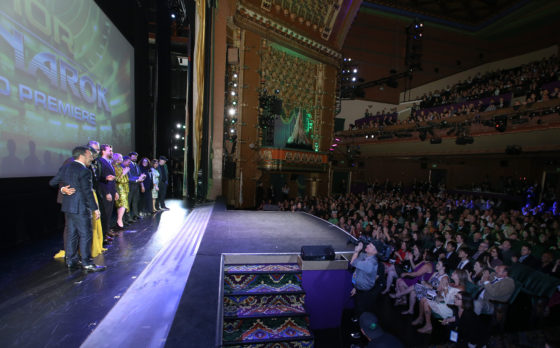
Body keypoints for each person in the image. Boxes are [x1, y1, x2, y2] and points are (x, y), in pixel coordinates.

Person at [49, 146, 105, 272]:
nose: (91, 157)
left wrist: (63, 190)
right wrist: (95, 209)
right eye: (90, 155)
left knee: (71, 235)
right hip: (81, 208)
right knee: (86, 235)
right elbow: (87, 192)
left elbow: (52, 183)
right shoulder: (85, 171)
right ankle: (87, 263)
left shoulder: (65, 167)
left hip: (68, 208)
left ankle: (71, 261)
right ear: (82, 155)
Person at [414, 269, 468, 334]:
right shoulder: (452, 284)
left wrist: (445, 289)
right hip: (441, 302)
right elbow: (441, 294)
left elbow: (450, 301)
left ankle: (427, 325)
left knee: (425, 301)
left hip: (449, 308)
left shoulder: (461, 288)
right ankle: (421, 318)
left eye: (455, 273)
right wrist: (440, 293)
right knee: (423, 298)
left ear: (459, 276)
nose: (452, 273)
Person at [98, 144, 118, 240]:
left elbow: (112, 179)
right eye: (109, 150)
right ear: (103, 151)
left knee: (109, 213)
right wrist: (106, 192)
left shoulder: (109, 162)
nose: (111, 152)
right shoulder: (100, 161)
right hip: (106, 191)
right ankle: (103, 235)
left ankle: (107, 231)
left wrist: (115, 191)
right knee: (105, 213)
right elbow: (101, 179)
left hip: (111, 190)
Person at [126, 152, 145, 222]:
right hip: (130, 185)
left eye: (136, 157)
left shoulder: (136, 165)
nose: (135, 158)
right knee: (129, 201)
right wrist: (138, 179)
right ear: (130, 157)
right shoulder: (128, 164)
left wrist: (142, 180)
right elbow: (129, 176)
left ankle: (135, 214)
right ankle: (128, 217)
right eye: (133, 156)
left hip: (136, 185)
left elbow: (139, 174)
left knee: (135, 201)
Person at [113, 153, 130, 229]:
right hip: (119, 188)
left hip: (124, 188)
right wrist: (124, 173)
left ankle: (120, 222)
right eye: (120, 158)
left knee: (124, 204)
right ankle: (119, 222)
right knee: (122, 204)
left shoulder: (120, 167)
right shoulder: (114, 167)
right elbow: (117, 179)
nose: (122, 159)